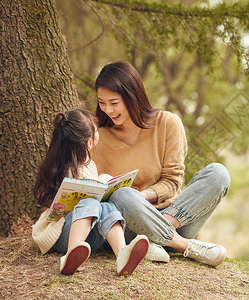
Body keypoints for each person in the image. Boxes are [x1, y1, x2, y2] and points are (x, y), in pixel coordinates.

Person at [90, 60, 231, 267]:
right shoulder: (97, 137)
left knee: (218, 174)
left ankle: (157, 237)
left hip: (175, 217)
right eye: (102, 103)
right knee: (122, 195)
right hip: (129, 228)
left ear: (132, 96)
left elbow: (173, 183)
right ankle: (185, 246)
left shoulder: (168, 123)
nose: (108, 110)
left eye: (114, 102)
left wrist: (143, 196)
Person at [31, 108, 149, 276]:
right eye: (96, 130)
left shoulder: (89, 165)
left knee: (107, 207)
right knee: (90, 202)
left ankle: (122, 254)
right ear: (89, 142)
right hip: (62, 237)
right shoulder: (58, 170)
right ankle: (71, 254)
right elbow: (49, 206)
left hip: (90, 239)